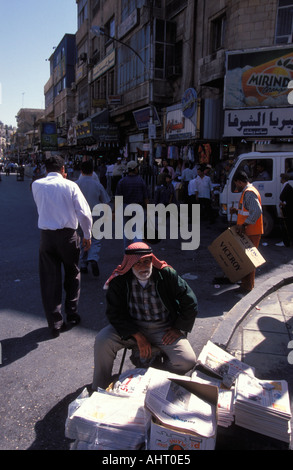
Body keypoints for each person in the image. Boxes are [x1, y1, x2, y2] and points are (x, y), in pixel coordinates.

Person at [92, 242, 198, 390]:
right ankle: (100, 387)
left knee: (187, 360)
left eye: (146, 261)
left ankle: (158, 379)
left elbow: (190, 301)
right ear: (129, 264)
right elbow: (114, 313)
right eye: (137, 263)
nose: (143, 266)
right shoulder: (120, 280)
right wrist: (137, 336)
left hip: (163, 328)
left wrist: (178, 327)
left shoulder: (166, 275)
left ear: (152, 260)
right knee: (102, 340)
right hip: (131, 327)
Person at [31, 155, 92, 337]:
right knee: (73, 274)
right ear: (63, 170)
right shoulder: (71, 185)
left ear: (45, 169)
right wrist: (87, 235)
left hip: (47, 237)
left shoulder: (36, 185)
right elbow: (84, 213)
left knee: (50, 278)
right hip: (68, 236)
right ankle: (71, 313)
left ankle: (55, 322)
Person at [230, 171, 263, 293]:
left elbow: (256, 211)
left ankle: (248, 285)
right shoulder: (248, 191)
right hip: (249, 231)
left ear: (240, 182)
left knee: (249, 260)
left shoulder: (249, 193)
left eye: (236, 184)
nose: (236, 186)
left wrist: (244, 224)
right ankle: (246, 283)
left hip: (251, 231)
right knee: (246, 259)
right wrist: (236, 211)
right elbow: (247, 210)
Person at [76, 160, 111, 276]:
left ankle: (83, 264)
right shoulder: (97, 184)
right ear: (92, 172)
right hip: (95, 215)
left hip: (79, 216)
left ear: (81, 171)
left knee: (82, 239)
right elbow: (105, 201)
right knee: (96, 238)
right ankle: (93, 258)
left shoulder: (75, 185)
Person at [115, 160, 149, 247]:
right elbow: (145, 198)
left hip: (125, 208)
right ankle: (137, 253)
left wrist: (114, 211)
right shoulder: (140, 181)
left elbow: (118, 198)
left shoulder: (122, 181)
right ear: (135, 169)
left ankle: (127, 252)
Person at [279, 173, 293, 247]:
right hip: (286, 209)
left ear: (283, 179)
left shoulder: (288, 187)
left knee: (288, 226)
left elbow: (289, 199)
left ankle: (287, 242)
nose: (280, 180)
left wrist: (284, 204)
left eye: (281, 178)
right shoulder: (287, 186)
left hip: (288, 210)